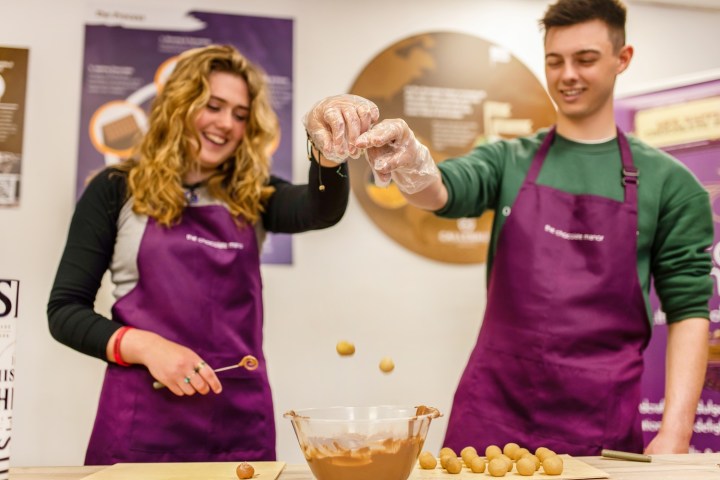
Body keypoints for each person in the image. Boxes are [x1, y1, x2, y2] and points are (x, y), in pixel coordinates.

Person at [312, 0, 713, 455]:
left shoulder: (671, 184)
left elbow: (688, 311)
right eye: (554, 61)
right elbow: (441, 191)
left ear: (623, 59)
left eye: (585, 60)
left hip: (598, 419)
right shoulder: (509, 160)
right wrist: (414, 164)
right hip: (492, 412)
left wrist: (676, 433)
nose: (567, 76)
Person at [47, 44, 377, 464]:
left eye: (240, 115)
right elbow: (64, 310)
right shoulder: (116, 188)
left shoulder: (254, 195)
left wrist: (329, 151)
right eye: (213, 106)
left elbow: (321, 210)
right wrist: (148, 347)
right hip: (140, 423)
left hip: (238, 426)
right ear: (179, 106)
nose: (226, 124)